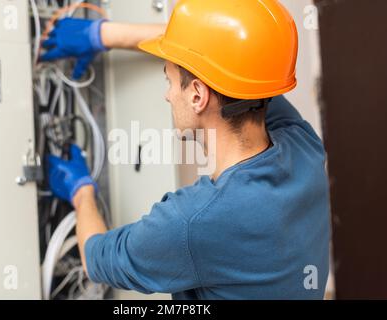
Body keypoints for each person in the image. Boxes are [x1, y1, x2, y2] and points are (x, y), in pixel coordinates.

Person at [42, 0, 330, 299]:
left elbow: (94, 258)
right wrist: (104, 36)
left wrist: (81, 192)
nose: (167, 96)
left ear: (197, 96)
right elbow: (233, 55)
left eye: (169, 81)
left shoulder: (193, 223)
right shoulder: (304, 149)